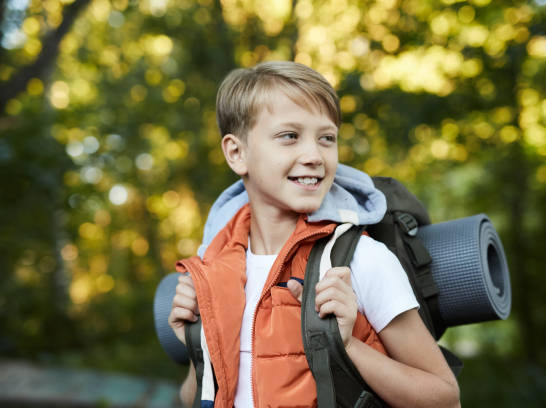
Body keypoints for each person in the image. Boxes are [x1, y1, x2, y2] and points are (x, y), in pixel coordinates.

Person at [168, 61, 460, 408]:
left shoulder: (360, 261)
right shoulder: (213, 268)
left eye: (326, 138)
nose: (314, 156)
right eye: (289, 136)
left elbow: (445, 398)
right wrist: (196, 345)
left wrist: (346, 345)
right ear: (237, 153)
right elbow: (195, 398)